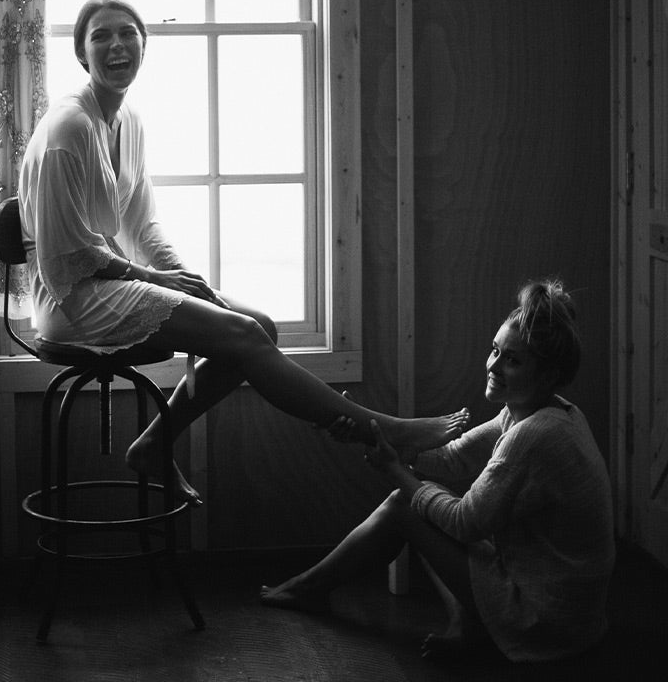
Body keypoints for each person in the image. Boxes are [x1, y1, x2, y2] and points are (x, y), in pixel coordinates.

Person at [18, 0, 469, 504]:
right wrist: (160, 282)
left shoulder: (130, 122)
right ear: (81, 54)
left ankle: (153, 445)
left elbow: (144, 225)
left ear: (144, 45)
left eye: (127, 33)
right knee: (244, 335)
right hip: (73, 300)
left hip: (118, 282)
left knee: (261, 328)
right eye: (101, 36)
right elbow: (66, 257)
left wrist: (188, 278)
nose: (117, 44)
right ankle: (384, 430)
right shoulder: (68, 128)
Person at [261, 277, 615, 664]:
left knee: (406, 505)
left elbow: (464, 523)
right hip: (571, 615)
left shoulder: (536, 435)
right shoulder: (539, 412)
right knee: (422, 505)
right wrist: (365, 436)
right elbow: (450, 459)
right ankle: (467, 624)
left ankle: (309, 589)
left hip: (545, 624)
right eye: (495, 350)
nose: (494, 365)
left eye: (512, 360)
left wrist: (395, 471)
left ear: (546, 375)